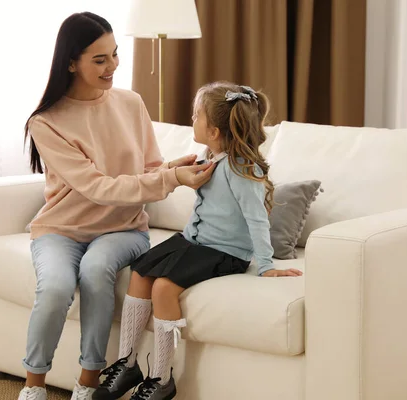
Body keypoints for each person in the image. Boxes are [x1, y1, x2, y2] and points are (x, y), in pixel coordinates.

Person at [18, 12, 216, 400]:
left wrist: (173, 169)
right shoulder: (46, 121)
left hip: (123, 228)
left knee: (95, 270)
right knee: (56, 288)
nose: (113, 67)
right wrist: (170, 179)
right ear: (71, 62)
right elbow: (96, 186)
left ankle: (87, 384)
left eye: (115, 54)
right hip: (61, 230)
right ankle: (33, 387)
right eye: (99, 59)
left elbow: (150, 169)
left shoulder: (130, 102)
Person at [92, 82, 303, 400]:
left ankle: (162, 379)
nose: (191, 120)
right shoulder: (212, 156)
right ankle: (129, 363)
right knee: (139, 272)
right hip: (192, 240)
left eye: (196, 115)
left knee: (163, 287)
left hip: (225, 252)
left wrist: (267, 265)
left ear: (215, 131)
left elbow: (257, 220)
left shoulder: (241, 169)